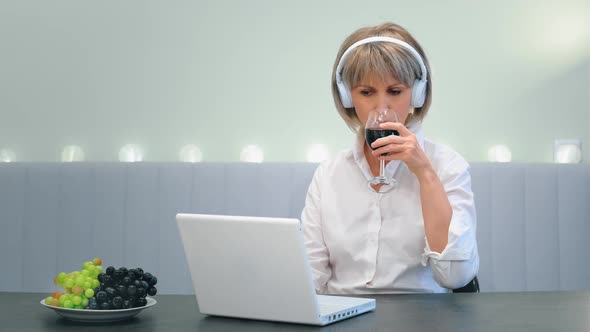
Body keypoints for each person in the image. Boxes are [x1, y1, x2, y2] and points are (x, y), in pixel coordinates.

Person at [301, 22, 479, 294]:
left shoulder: (447, 166)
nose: (381, 106)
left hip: (422, 319)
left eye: (395, 92)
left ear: (417, 95)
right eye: (366, 92)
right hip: (343, 316)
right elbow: (310, 278)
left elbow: (455, 277)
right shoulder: (329, 173)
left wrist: (425, 174)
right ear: (348, 97)